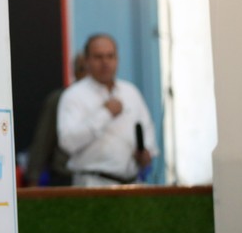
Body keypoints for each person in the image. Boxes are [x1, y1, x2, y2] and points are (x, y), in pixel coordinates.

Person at [57, 34, 157, 187]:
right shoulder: (73, 96)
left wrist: (146, 153)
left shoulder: (130, 92)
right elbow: (68, 142)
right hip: (92, 183)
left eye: (110, 56)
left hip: (131, 183)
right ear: (87, 60)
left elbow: (147, 132)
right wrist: (104, 114)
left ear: (117, 59)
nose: (105, 63)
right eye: (98, 57)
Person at [24, 52, 86, 186]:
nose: (86, 74)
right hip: (65, 177)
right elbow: (43, 141)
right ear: (74, 71)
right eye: (82, 69)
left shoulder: (110, 101)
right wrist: (33, 178)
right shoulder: (60, 99)